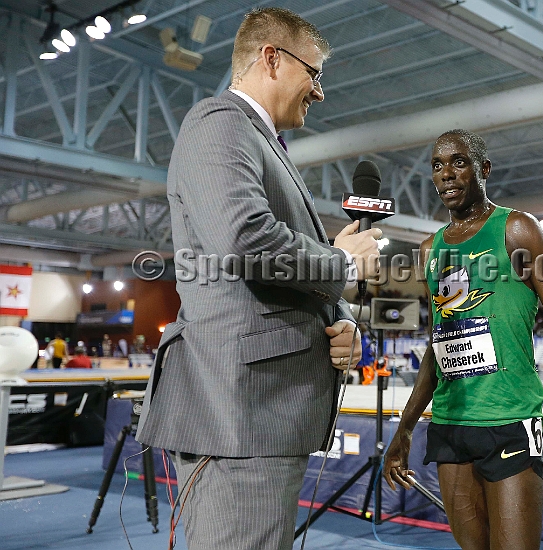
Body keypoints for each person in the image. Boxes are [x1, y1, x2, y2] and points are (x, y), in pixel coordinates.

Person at [135, 9, 381, 550]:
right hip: (239, 414)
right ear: (272, 58)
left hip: (258, 414)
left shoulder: (258, 140)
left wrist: (336, 321)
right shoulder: (220, 122)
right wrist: (340, 265)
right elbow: (243, 239)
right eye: (313, 73)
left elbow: (262, 270)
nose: (318, 91)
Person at [382, 130, 543, 550]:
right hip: (450, 425)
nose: (446, 174)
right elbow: (439, 346)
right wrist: (403, 429)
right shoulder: (430, 249)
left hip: (509, 420)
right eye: (437, 166)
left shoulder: (517, 229)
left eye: (458, 162)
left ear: (483, 170)